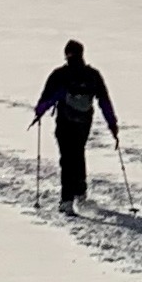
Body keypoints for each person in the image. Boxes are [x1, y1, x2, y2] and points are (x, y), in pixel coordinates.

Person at [32, 39, 120, 213]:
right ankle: (80, 194)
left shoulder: (60, 74)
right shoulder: (93, 75)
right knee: (78, 153)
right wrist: (112, 125)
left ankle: (67, 200)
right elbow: (104, 101)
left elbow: (46, 99)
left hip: (65, 121)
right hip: (84, 122)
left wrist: (39, 112)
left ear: (66, 54)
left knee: (67, 158)